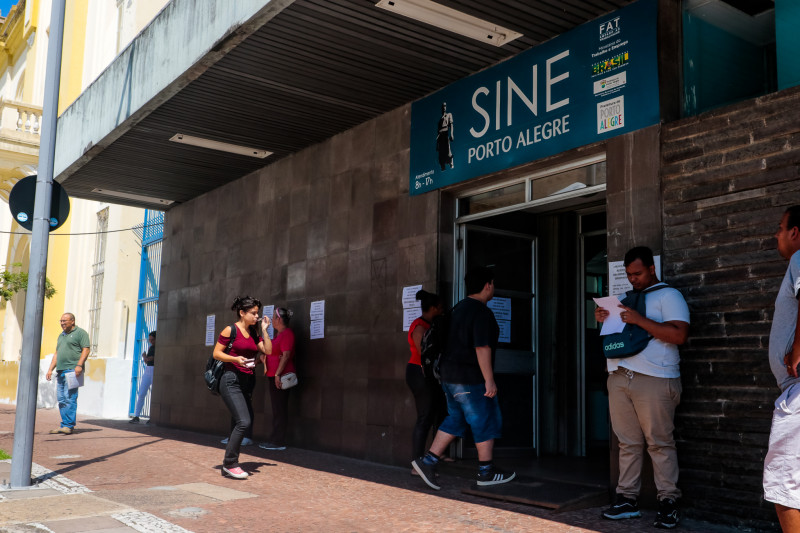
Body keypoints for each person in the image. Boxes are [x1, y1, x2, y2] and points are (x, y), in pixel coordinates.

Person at [594, 246, 689, 529]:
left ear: (651, 268)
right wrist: (603, 318)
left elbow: (679, 335)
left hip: (655, 378)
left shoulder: (669, 295)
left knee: (660, 442)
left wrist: (639, 320)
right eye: (629, 274)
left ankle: (668, 502)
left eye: (637, 273)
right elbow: (616, 337)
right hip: (620, 376)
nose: (633, 278)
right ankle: (627, 500)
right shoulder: (624, 299)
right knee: (627, 443)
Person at [412, 267, 515, 490]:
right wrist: (489, 379)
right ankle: (486, 472)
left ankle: (428, 461)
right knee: (483, 419)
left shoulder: (457, 308)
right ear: (487, 285)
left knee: (456, 418)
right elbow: (482, 347)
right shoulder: (480, 312)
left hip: (449, 377)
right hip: (470, 378)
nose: (493, 287)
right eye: (493, 284)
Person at [764, 205, 800, 532]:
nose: (776, 234)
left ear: (796, 232)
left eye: (780, 227)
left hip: (798, 390)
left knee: (784, 484)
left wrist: (799, 349)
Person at [213, 296, 272, 479]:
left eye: (257, 313)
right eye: (253, 313)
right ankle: (230, 463)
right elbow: (216, 353)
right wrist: (235, 359)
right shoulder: (230, 330)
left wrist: (264, 330)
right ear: (242, 313)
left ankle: (231, 463)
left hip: (247, 381)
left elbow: (268, 350)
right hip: (230, 379)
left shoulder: (254, 333)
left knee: (238, 421)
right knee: (243, 421)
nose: (257, 316)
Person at [405, 290, 446, 469]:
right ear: (433, 308)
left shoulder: (430, 324)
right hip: (419, 373)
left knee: (434, 414)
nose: (442, 309)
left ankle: (436, 454)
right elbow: (424, 356)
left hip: (425, 374)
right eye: (440, 306)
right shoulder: (420, 326)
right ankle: (417, 464)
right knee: (424, 417)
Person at [45, 313, 91, 435]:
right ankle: (64, 424)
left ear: (72, 321)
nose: (62, 323)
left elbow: (86, 349)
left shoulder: (81, 333)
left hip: (73, 370)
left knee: (70, 397)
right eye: (61, 321)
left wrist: (79, 365)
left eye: (65, 320)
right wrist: (50, 369)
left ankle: (69, 425)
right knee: (61, 398)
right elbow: (57, 353)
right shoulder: (61, 335)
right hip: (60, 371)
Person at [259, 307, 296, 451]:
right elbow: (271, 351)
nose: (272, 320)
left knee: (279, 409)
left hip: (280, 378)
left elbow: (286, 355)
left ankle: (277, 441)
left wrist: (277, 374)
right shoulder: (279, 335)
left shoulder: (287, 334)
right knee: (277, 409)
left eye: (274, 318)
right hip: (274, 377)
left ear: (279, 319)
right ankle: (275, 439)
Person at [130, 331, 156, 424]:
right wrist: (146, 358)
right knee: (141, 393)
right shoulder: (150, 347)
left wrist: (144, 356)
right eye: (149, 339)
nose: (151, 341)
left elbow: (149, 359)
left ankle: (153, 417)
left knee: (154, 395)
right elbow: (147, 361)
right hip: (148, 370)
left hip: (154, 370)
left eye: (152, 339)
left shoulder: (157, 348)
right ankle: (136, 416)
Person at [436, 102, 454, 171]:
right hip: (440, 138)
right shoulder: (440, 120)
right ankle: (443, 168)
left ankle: (451, 164)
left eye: (445, 106)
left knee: (448, 151)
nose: (444, 107)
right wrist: (437, 145)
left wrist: (452, 134)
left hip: (446, 135)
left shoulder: (449, 115)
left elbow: (451, 125)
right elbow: (438, 133)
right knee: (441, 156)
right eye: (443, 106)